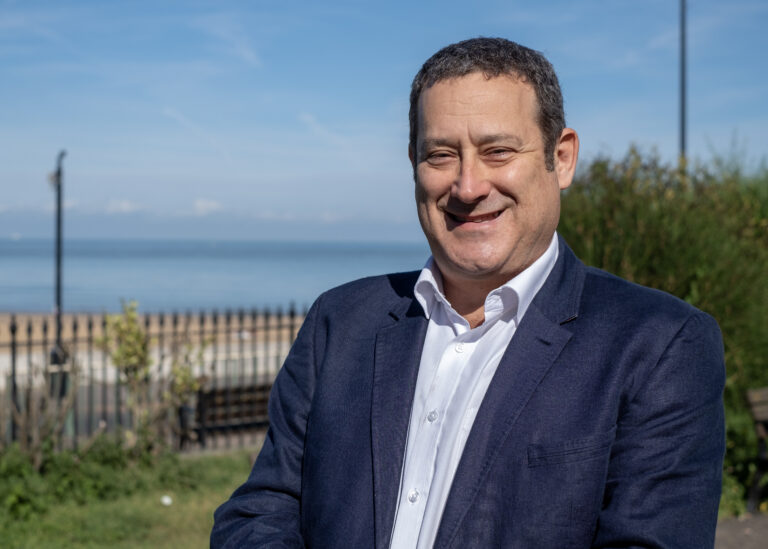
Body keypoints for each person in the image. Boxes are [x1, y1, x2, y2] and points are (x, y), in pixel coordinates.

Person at [211, 37, 725, 548]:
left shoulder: (658, 345)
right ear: (413, 163)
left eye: (498, 151)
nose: (468, 185)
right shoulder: (341, 322)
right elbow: (261, 512)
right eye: (441, 154)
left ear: (561, 159)